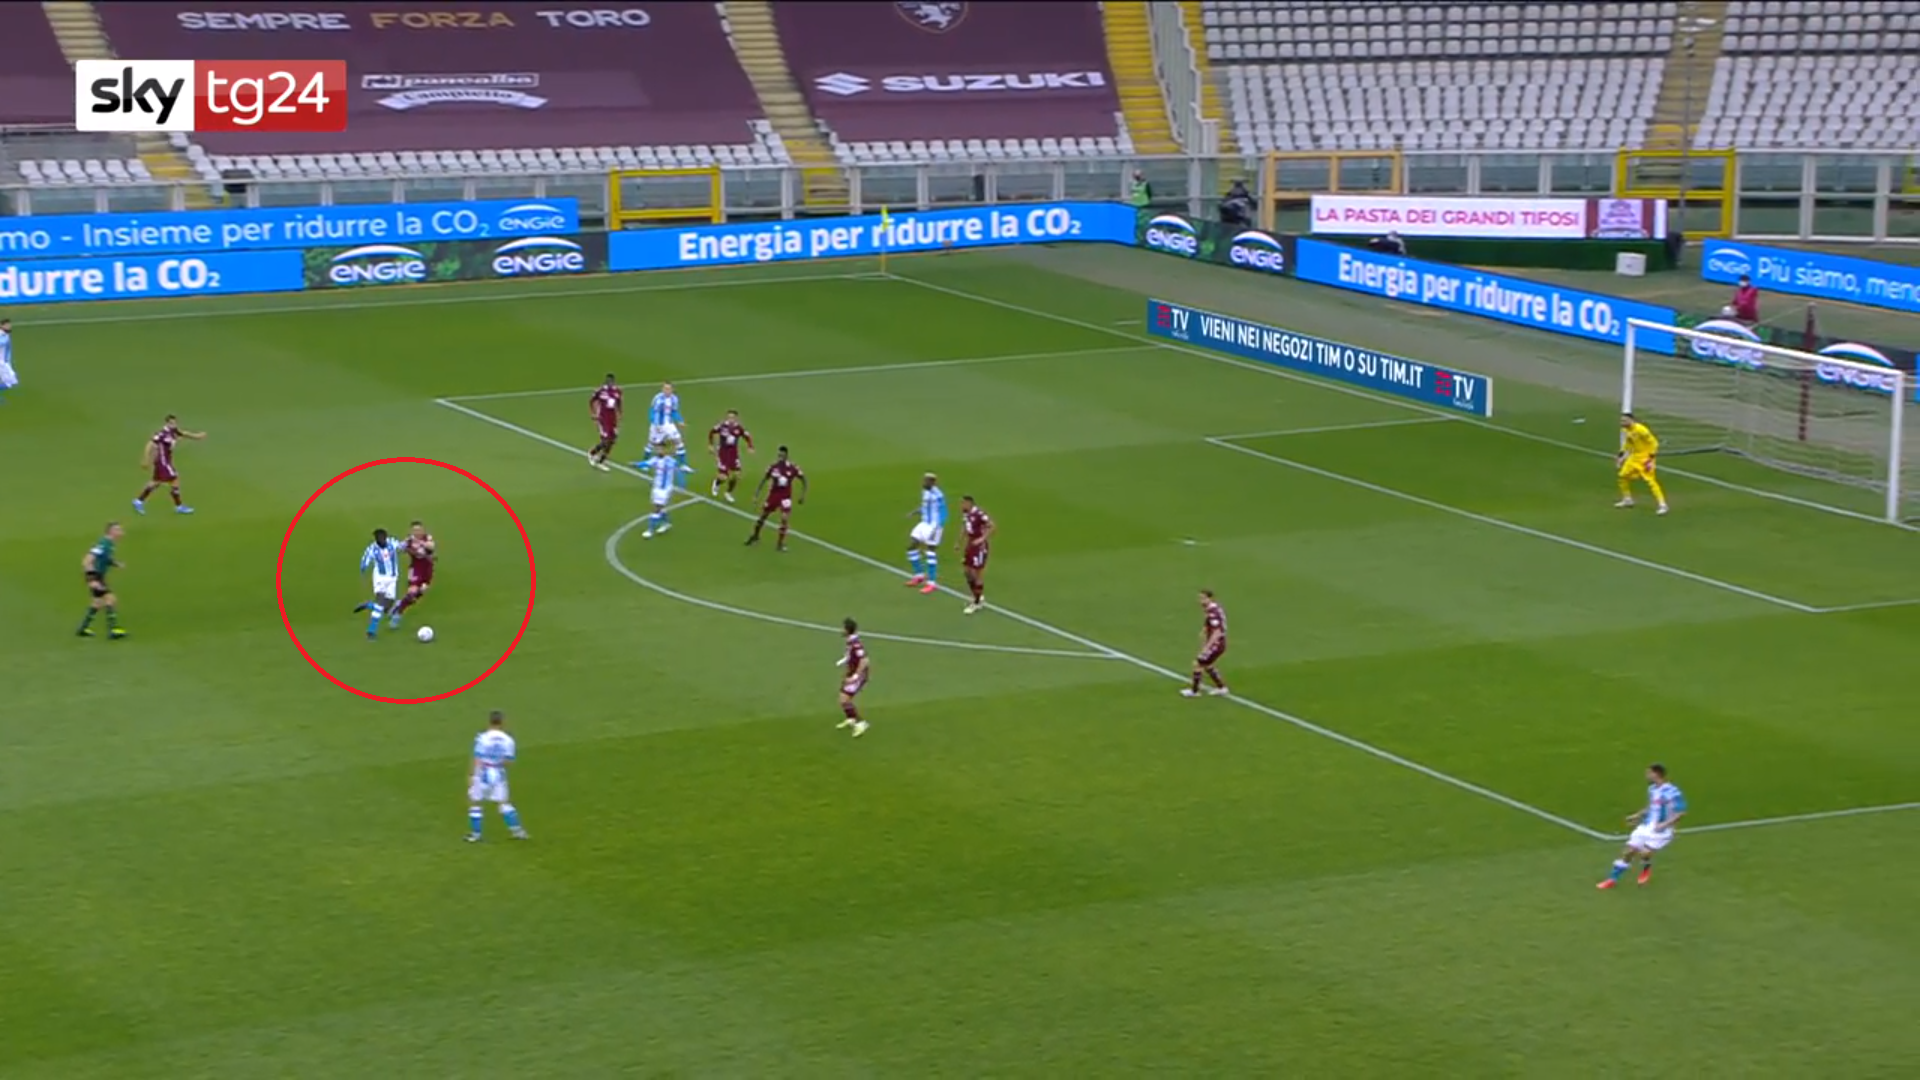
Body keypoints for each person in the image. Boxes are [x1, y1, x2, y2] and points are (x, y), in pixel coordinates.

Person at [1598, 764, 1686, 889]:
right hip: (1646, 826)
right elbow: (1650, 807)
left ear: (1656, 774)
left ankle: (1646, 867)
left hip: (1662, 831)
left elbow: (1681, 812)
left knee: (1645, 853)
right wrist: (1637, 815)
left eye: (1649, 773)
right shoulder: (1652, 789)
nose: (1646, 776)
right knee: (1628, 852)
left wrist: (1665, 824)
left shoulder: (1672, 792)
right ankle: (1612, 879)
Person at [467, 711, 529, 842]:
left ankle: (476, 834)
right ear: (502, 722)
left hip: (483, 772)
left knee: (475, 801)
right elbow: (509, 761)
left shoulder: (482, 738)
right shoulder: (508, 740)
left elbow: (477, 758)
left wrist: (472, 775)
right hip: (498, 773)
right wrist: (498, 766)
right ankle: (518, 831)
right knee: (504, 803)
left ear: (489, 721)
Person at [354, 527, 406, 639]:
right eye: (377, 538)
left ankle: (369, 605)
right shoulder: (372, 548)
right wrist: (363, 567)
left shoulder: (392, 542)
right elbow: (365, 559)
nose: (379, 540)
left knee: (387, 608)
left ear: (385, 537)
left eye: (382, 537)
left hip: (392, 578)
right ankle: (371, 630)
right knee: (380, 602)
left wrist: (408, 544)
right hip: (380, 578)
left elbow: (402, 546)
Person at [78, 522, 128, 639]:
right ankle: (113, 629)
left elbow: (105, 558)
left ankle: (83, 628)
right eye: (118, 530)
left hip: (98, 576)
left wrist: (116, 564)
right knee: (110, 599)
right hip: (96, 576)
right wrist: (92, 580)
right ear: (111, 531)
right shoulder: (103, 544)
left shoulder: (109, 544)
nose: (121, 532)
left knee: (97, 603)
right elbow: (87, 561)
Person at [1615, 412, 1669, 515]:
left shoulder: (1641, 430)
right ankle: (1627, 499)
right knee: (1622, 476)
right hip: (1634, 457)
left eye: (1624, 420)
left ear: (1631, 420)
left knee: (1650, 481)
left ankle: (1662, 505)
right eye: (1621, 420)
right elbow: (1628, 443)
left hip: (1645, 458)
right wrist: (1621, 455)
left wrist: (1651, 460)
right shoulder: (1626, 430)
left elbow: (1654, 443)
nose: (1622, 422)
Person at [1181, 589, 1230, 697]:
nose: (1201, 601)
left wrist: (1207, 647)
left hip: (1216, 643)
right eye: (1200, 598)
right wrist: (1204, 630)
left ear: (1210, 598)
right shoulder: (1213, 609)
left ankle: (1194, 691)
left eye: (1203, 598)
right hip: (1219, 642)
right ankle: (1221, 687)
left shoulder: (1213, 613)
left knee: (1198, 664)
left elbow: (1217, 632)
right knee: (1207, 665)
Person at [904, 472, 946, 595]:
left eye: (926, 481)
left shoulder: (938, 495)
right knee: (911, 546)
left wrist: (938, 526)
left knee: (930, 552)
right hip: (924, 523)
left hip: (934, 525)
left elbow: (944, 511)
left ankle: (932, 583)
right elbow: (925, 507)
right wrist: (914, 512)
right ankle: (919, 575)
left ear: (933, 482)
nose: (923, 483)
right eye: (924, 480)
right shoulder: (925, 492)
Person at [835, 618, 871, 738]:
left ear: (847, 630)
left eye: (843, 628)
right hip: (851, 672)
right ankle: (851, 719)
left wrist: (855, 676)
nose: (841, 630)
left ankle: (861, 723)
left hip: (858, 675)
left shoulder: (856, 644)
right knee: (843, 697)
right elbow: (850, 655)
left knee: (844, 699)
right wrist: (844, 660)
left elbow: (864, 660)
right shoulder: (850, 642)